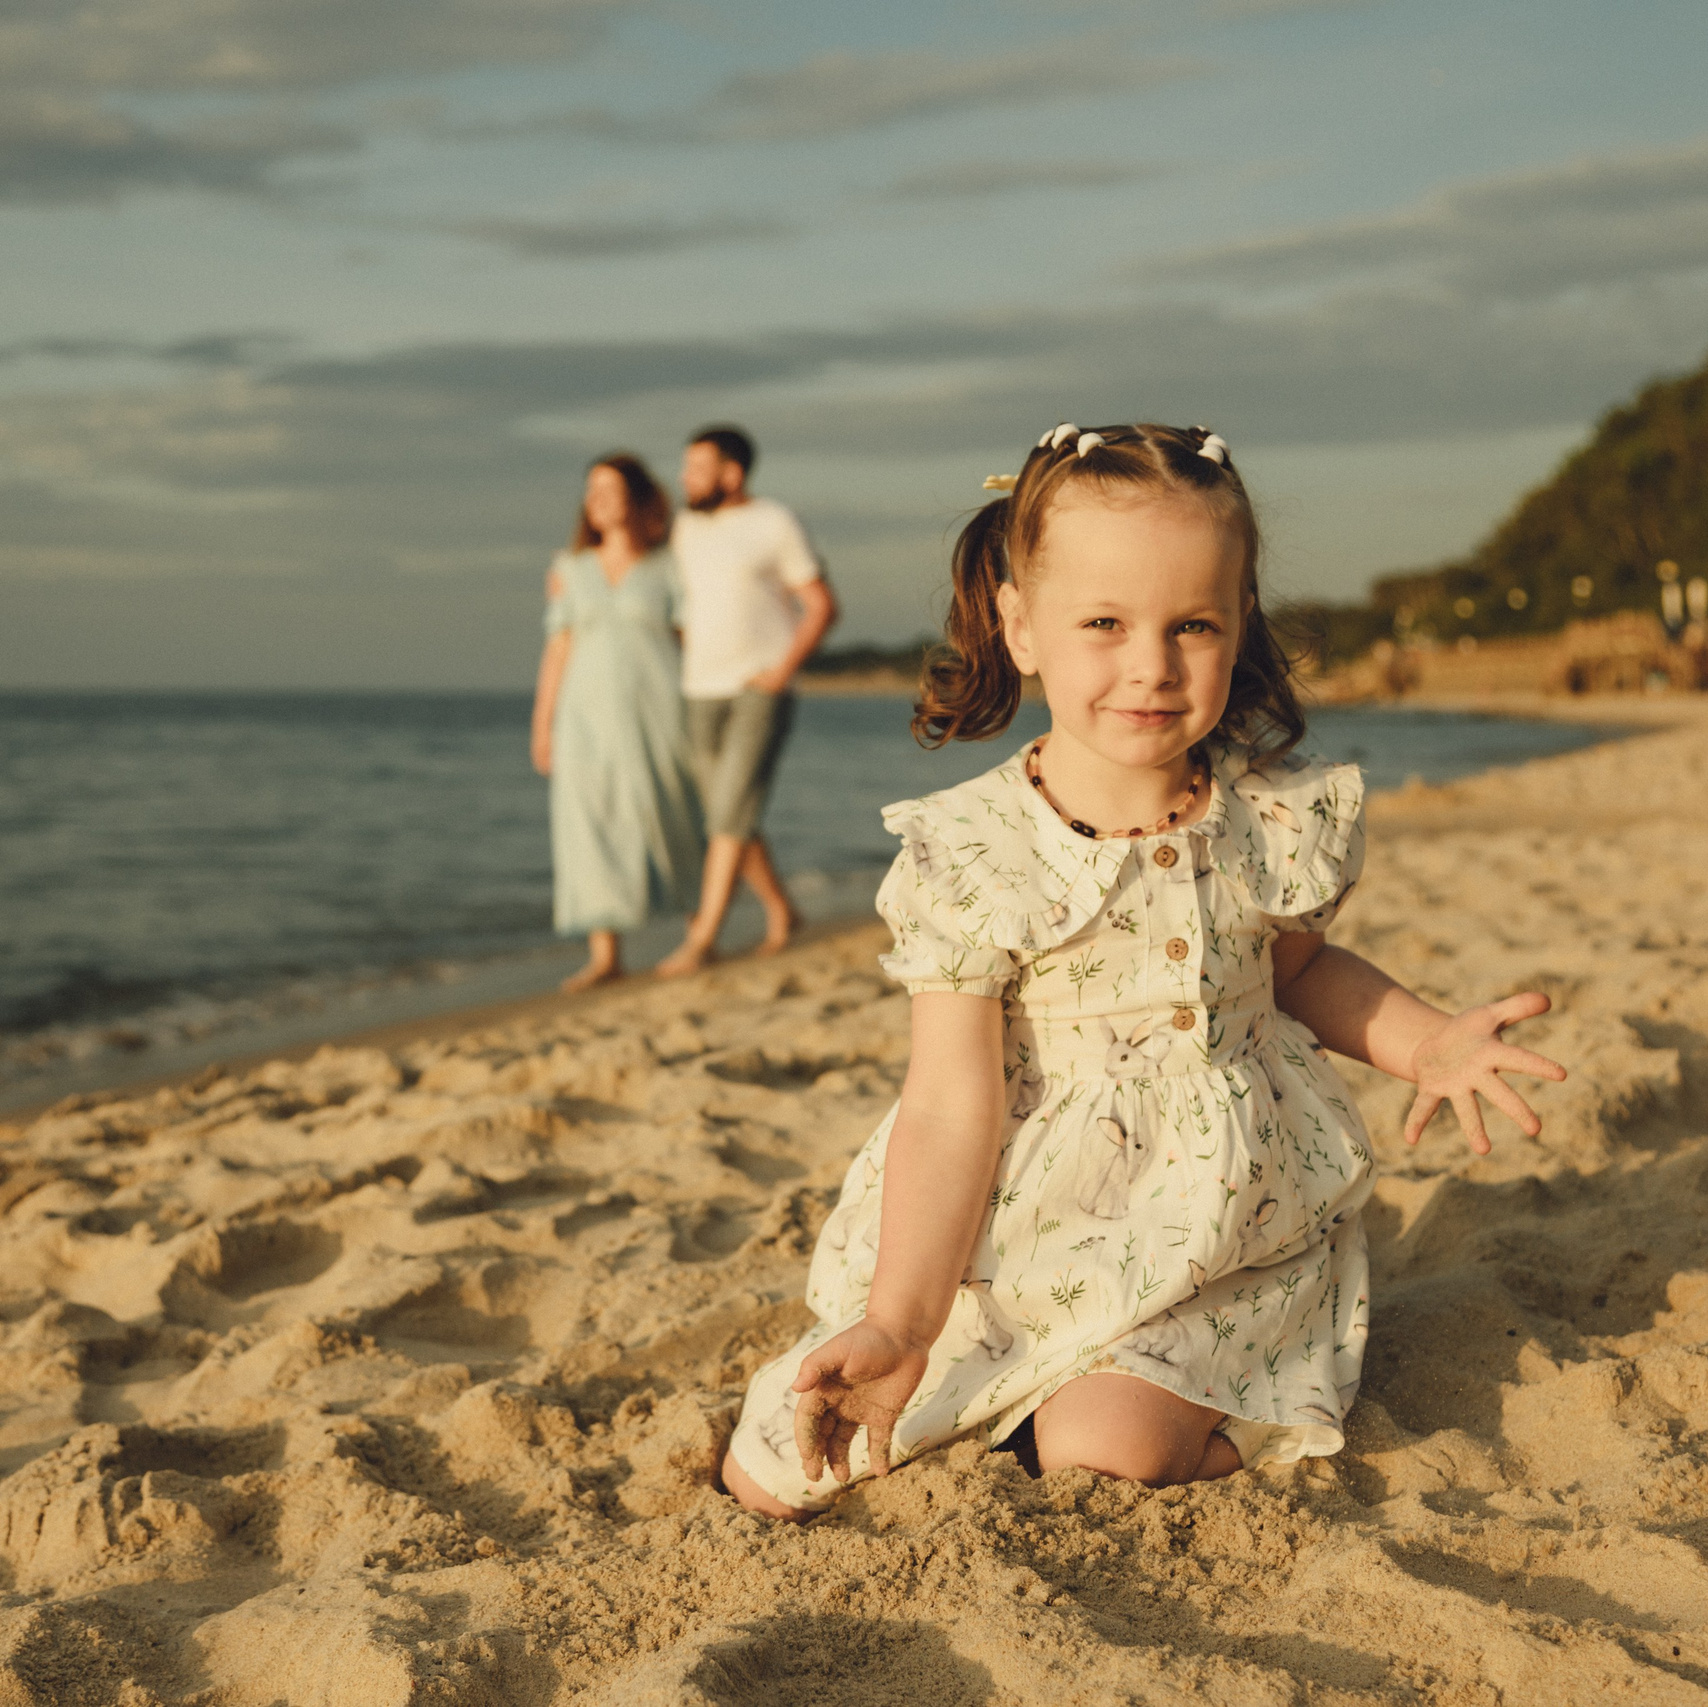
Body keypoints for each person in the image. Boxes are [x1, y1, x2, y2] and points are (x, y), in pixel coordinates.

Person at [720, 419, 1566, 1519]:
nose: (1150, 667)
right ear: (1020, 625)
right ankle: (990, 1381)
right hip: (1017, 1230)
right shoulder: (974, 854)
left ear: (1240, 624)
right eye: (1104, 623)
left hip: (1218, 1234)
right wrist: (903, 1322)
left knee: (1098, 1451)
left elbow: (1300, 979)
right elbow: (947, 1107)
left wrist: (1423, 1040)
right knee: (772, 1472)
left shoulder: (1264, 821)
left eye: (1193, 625)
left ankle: (1217, 1404)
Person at [654, 426, 837, 978]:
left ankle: (702, 937)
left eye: (697, 468)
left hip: (758, 691)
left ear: (731, 473)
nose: (685, 478)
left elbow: (820, 604)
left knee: (729, 814)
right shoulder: (683, 528)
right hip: (697, 689)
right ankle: (783, 909)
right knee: (728, 815)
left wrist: (782, 670)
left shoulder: (774, 521)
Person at [530, 454, 703, 991]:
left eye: (609, 487)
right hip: (583, 720)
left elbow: (691, 641)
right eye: (591, 490)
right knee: (588, 826)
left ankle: (701, 931)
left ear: (636, 497)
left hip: (660, 713)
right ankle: (605, 955)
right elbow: (557, 649)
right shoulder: (568, 569)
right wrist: (542, 724)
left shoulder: (669, 566)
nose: (597, 498)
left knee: (673, 814)